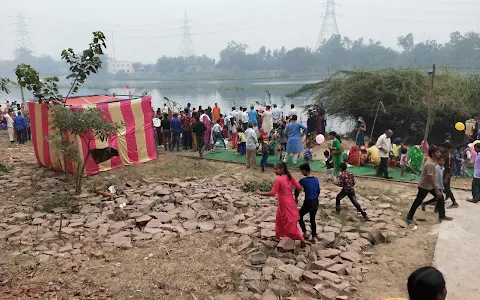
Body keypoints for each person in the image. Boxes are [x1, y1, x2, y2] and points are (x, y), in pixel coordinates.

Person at [256, 162, 305, 242]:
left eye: (276, 169)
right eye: (274, 169)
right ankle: (277, 235)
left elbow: (272, 193)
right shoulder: (290, 176)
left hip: (284, 204)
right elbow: (299, 187)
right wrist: (296, 197)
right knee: (279, 219)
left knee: (289, 223)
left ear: (282, 169)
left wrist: (260, 193)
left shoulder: (278, 180)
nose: (274, 171)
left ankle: (301, 239)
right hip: (290, 201)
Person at [406, 147, 453, 224]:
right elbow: (430, 178)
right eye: (438, 152)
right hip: (425, 186)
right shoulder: (430, 164)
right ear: (433, 154)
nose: (440, 153)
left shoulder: (433, 162)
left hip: (429, 186)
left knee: (441, 197)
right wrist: (436, 189)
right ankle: (409, 217)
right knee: (418, 201)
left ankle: (442, 215)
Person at [295, 163, 320, 242]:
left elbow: (297, 189)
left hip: (308, 201)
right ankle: (313, 237)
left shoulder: (303, 180)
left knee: (299, 216)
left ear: (304, 171)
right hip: (315, 201)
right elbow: (318, 191)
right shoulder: (316, 179)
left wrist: (296, 197)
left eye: (302, 171)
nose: (302, 173)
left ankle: (305, 232)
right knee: (312, 219)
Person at [441, 143, 459, 208]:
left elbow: (449, 168)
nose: (441, 149)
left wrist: (446, 177)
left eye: (443, 147)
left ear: (447, 148)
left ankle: (454, 202)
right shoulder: (444, 154)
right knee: (442, 187)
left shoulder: (449, 157)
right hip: (443, 173)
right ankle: (440, 199)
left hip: (446, 174)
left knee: (447, 187)